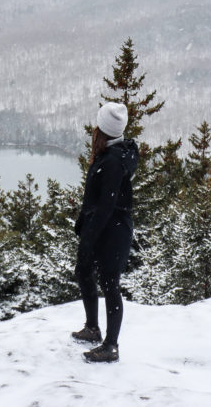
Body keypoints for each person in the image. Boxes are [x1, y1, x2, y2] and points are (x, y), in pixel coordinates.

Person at [71, 101, 139, 363]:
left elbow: (107, 205)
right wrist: (82, 222)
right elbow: (96, 199)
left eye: (98, 126)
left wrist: (90, 236)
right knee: (84, 272)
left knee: (110, 285)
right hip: (102, 225)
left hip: (114, 230)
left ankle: (111, 346)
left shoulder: (112, 161)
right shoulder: (109, 154)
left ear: (104, 130)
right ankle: (92, 329)